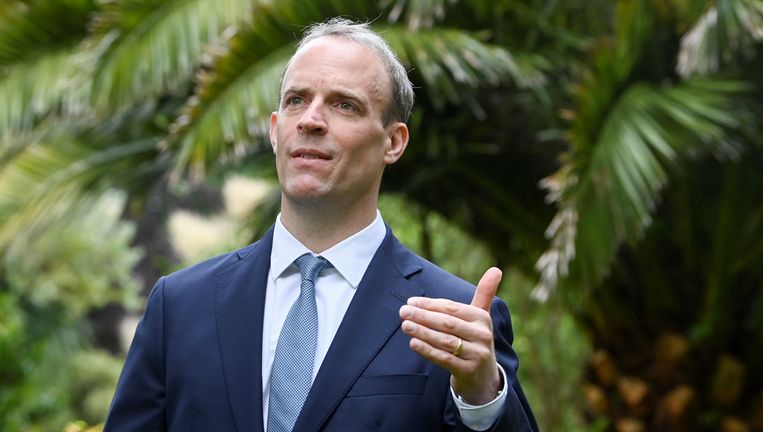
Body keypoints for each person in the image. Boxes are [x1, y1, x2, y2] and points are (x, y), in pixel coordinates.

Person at [104, 17, 538, 432]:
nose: (310, 120)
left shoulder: (455, 317)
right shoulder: (180, 308)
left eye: (343, 105)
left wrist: (483, 398)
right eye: (296, 100)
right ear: (275, 131)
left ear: (393, 142)